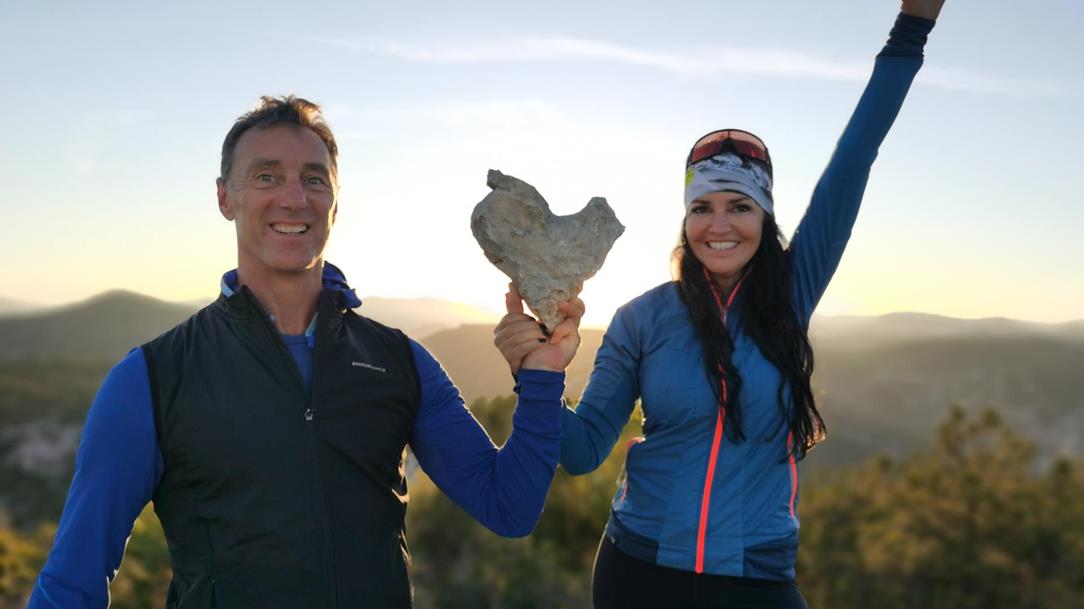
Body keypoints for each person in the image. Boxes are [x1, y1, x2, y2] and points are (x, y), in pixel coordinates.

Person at [28, 96, 584, 609]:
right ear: (225, 198)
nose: (293, 198)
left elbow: (508, 507)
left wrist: (541, 380)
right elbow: (73, 582)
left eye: (314, 179)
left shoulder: (401, 362)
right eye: (266, 176)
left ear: (335, 202)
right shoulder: (152, 378)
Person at [495, 1, 945, 607]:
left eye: (739, 206)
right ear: (686, 221)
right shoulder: (641, 319)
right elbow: (580, 453)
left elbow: (854, 159)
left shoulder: (792, 292)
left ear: (765, 216)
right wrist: (539, 375)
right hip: (638, 572)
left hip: (756, 577)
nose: (719, 225)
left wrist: (911, 29)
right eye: (702, 208)